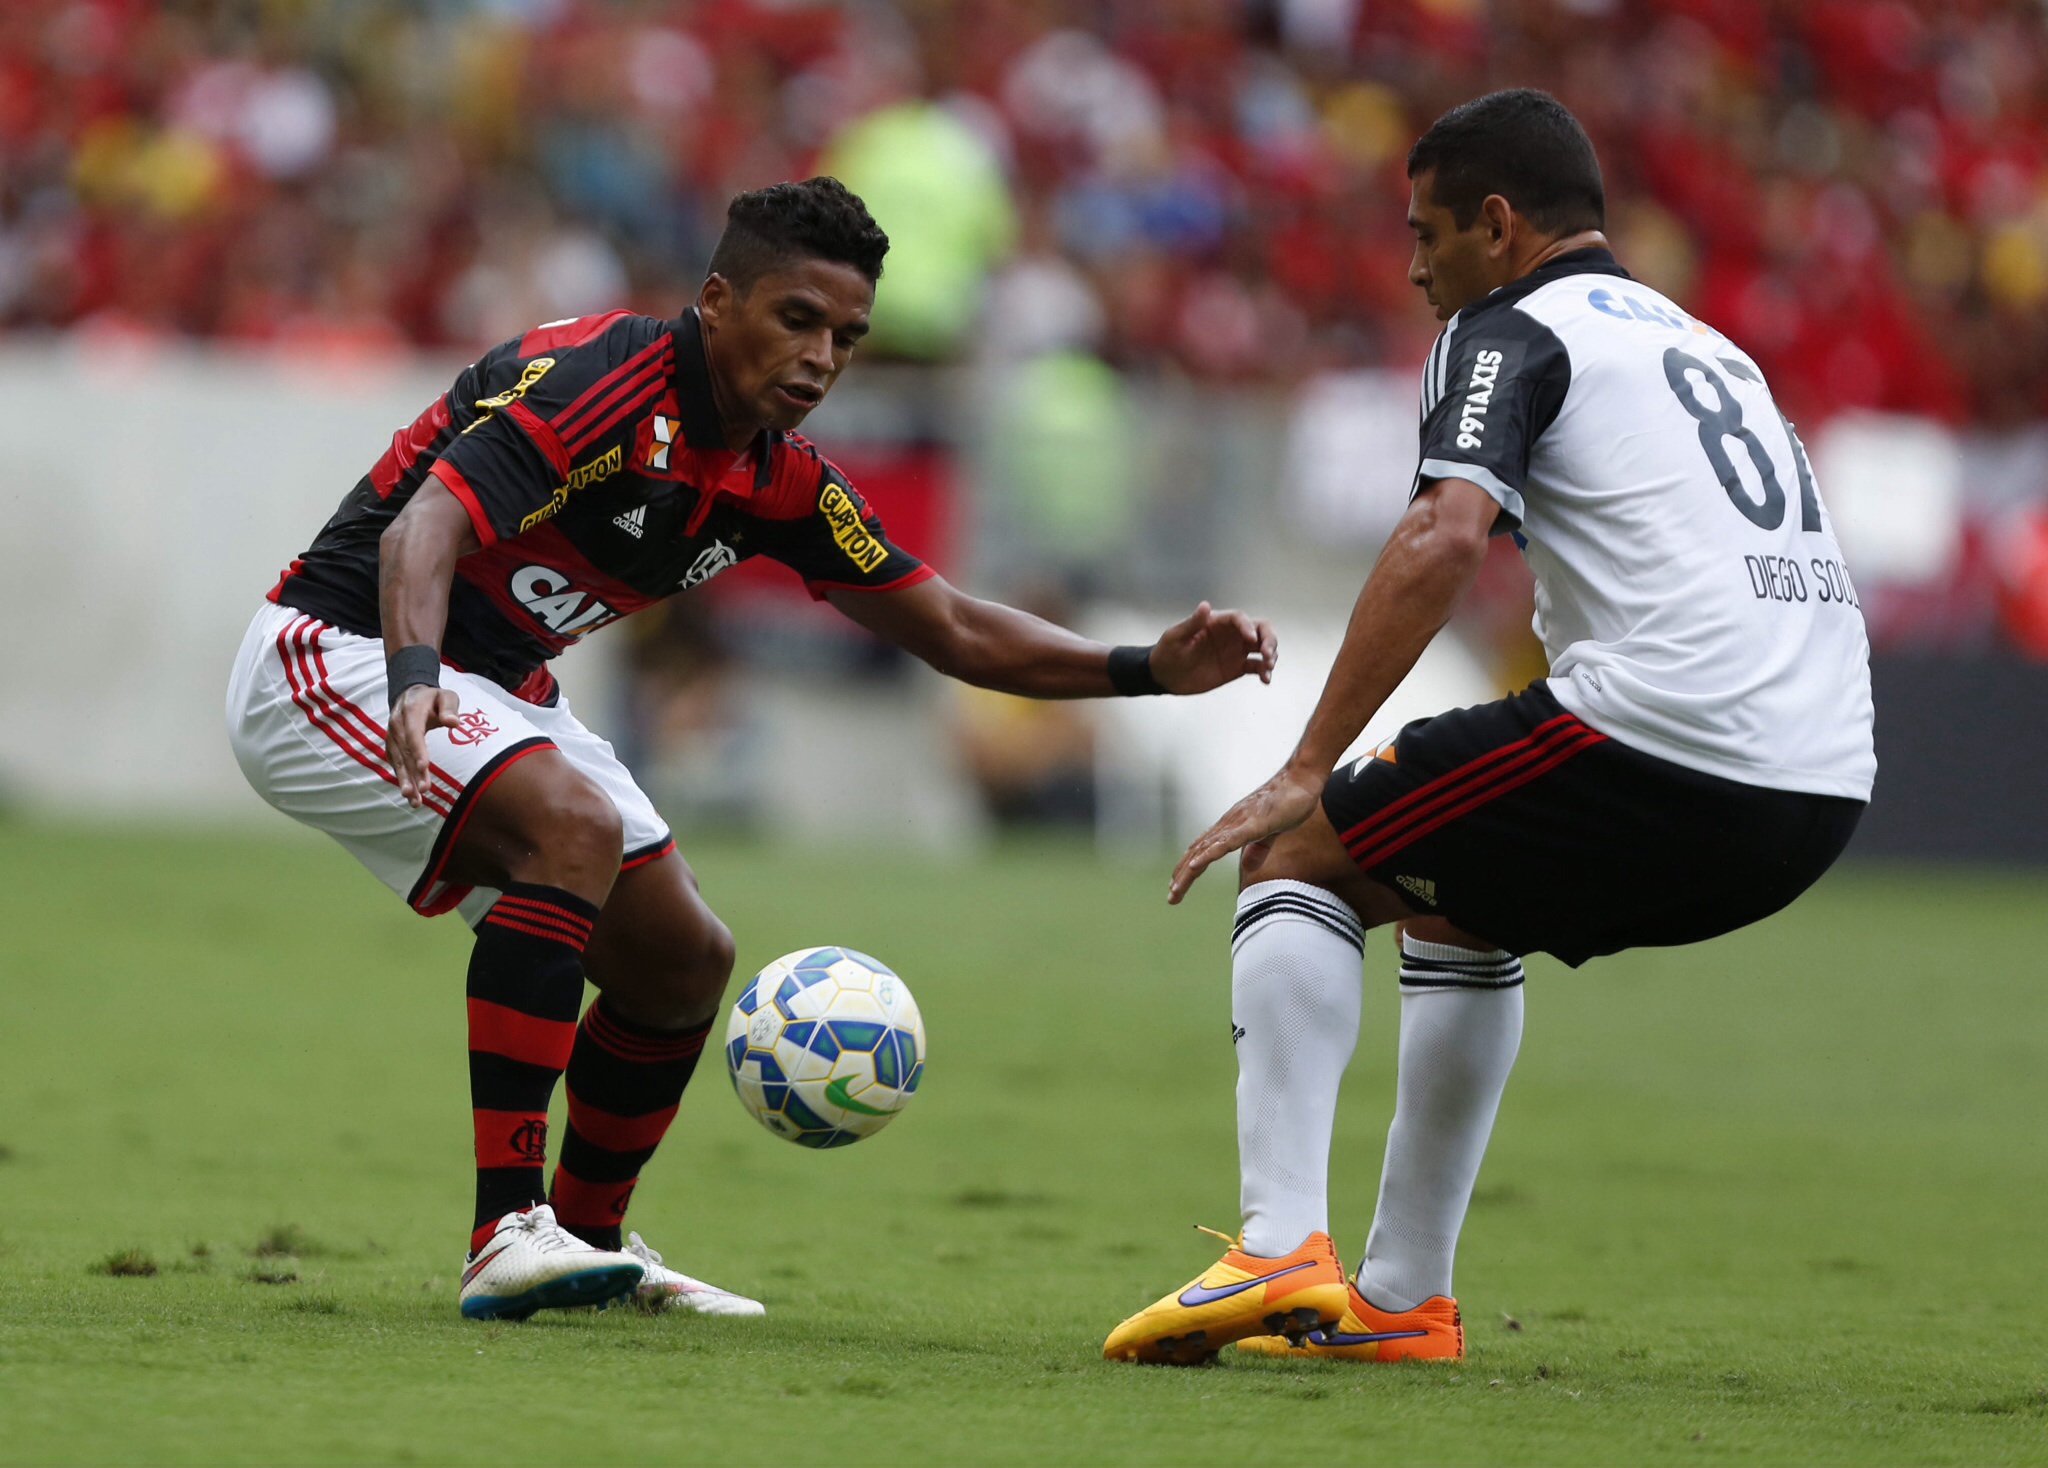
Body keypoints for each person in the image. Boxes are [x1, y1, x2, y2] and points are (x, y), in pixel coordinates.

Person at [226, 177, 1278, 1323]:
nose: (822, 356)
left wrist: (1144, 669)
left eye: (846, 336)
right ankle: (503, 1231)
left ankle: (586, 1248)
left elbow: (953, 627)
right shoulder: (605, 385)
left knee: (681, 955)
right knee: (570, 830)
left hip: (499, 690)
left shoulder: (778, 478)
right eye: (797, 319)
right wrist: (418, 679)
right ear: (717, 299)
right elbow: (427, 523)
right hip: (335, 656)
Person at [1101, 90, 1873, 1366]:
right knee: (1461, 902)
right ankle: (1401, 1305)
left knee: (1298, 858)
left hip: (1667, 737)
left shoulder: (1506, 329)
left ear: (1499, 225)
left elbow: (1442, 530)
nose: (1411, 269)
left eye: (1425, 235)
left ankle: (1276, 1240)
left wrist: (1303, 767)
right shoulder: (1704, 344)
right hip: (1821, 787)